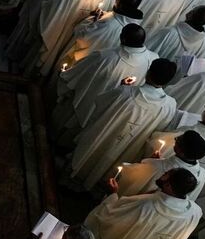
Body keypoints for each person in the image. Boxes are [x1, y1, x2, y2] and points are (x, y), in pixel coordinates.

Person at [69, 58, 179, 189]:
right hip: (131, 144)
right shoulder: (170, 105)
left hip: (105, 136)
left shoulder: (125, 92)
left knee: (93, 154)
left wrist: (121, 86)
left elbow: (100, 103)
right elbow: (160, 129)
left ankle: (75, 181)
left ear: (148, 72)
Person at [86, 167, 201, 239]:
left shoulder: (146, 204)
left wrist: (112, 195)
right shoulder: (195, 212)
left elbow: (110, 218)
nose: (162, 174)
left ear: (168, 185)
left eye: (166, 174)